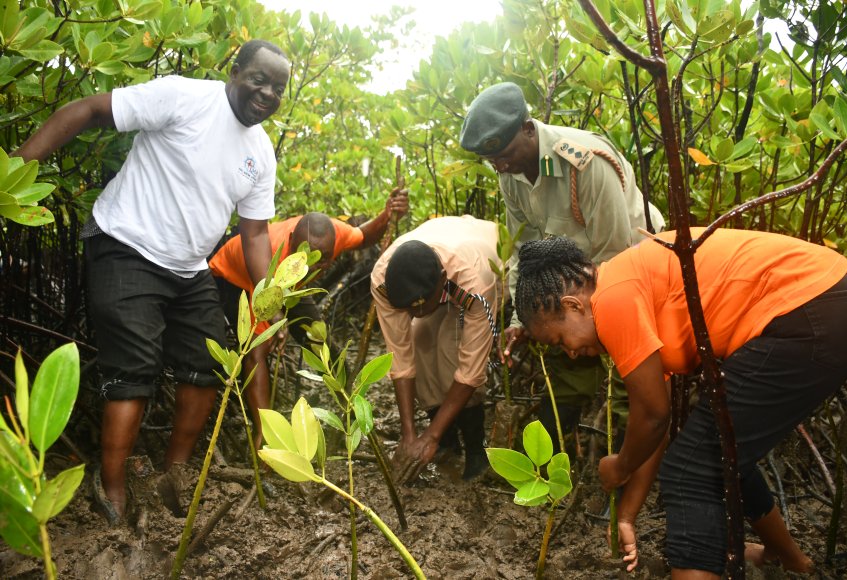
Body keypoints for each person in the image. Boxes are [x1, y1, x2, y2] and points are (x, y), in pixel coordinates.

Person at [15, 40, 292, 524]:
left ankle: (174, 474)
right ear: (235, 71)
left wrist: (273, 305)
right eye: (259, 80)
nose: (268, 93)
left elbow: (254, 238)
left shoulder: (261, 155)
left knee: (209, 364)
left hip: (188, 268)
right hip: (125, 245)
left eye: (279, 88)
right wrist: (12, 172)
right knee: (134, 370)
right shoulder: (184, 97)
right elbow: (87, 109)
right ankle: (114, 487)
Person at [513, 229, 847, 577]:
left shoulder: (613, 298)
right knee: (721, 446)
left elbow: (653, 417)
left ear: (573, 305)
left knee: (690, 469)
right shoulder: (630, 285)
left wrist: (621, 465)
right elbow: (657, 424)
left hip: (812, 307)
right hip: (836, 300)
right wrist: (627, 515)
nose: (571, 354)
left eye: (560, 340)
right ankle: (789, 558)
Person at [460, 81, 665, 447]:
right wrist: (525, 318)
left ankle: (628, 467)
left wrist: (590, 321)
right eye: (493, 162)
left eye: (505, 155)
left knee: (630, 380)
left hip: (633, 269)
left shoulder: (584, 163)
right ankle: (553, 451)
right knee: (565, 354)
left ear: (528, 128)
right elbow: (525, 249)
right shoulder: (510, 174)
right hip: (578, 280)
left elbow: (614, 254)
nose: (501, 166)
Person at [208, 190, 408, 448]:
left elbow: (363, 236)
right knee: (257, 351)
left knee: (324, 348)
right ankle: (264, 433)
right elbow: (256, 356)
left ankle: (350, 421)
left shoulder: (333, 234)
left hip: (291, 282)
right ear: (292, 242)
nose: (317, 266)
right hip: (236, 278)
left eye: (324, 258)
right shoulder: (268, 254)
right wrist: (276, 322)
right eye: (310, 257)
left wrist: (387, 213)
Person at [370, 216, 500, 482]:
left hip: (490, 264)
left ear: (441, 280)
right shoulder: (383, 281)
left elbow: (471, 370)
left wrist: (429, 436)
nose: (414, 313)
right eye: (409, 307)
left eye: (419, 305)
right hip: (439, 279)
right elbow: (401, 358)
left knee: (450, 346)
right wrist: (409, 435)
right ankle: (448, 440)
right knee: (420, 338)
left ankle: (476, 448)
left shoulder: (476, 280)